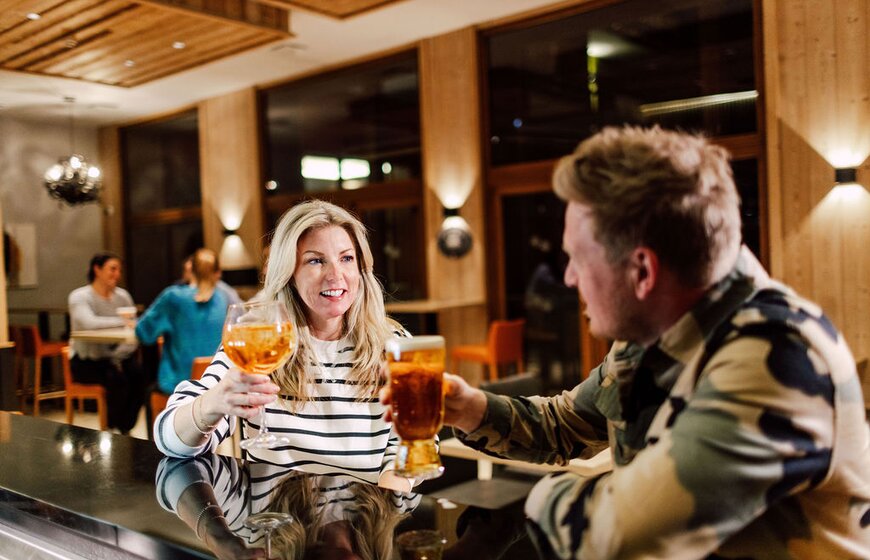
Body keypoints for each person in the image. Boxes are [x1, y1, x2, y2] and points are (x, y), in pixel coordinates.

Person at [382, 126, 870, 558]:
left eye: (577, 258)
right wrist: (470, 409)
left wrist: (530, 499)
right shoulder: (649, 334)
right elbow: (567, 426)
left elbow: (616, 534)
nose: (569, 277)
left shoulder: (777, 355)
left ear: (642, 270)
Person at [154, 200, 411, 490]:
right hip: (276, 524)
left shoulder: (395, 345)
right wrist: (214, 402)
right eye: (315, 260)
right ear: (288, 271)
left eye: (346, 258)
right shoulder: (259, 340)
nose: (335, 274)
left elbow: (411, 444)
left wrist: (384, 509)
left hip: (364, 522)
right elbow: (170, 440)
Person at [68, 252, 145, 434]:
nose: (117, 274)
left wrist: (117, 355)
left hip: (117, 357)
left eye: (119, 270)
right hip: (87, 360)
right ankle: (111, 428)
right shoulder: (80, 297)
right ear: (97, 269)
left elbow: (133, 332)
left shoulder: (123, 297)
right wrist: (122, 321)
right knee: (117, 381)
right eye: (112, 269)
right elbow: (89, 324)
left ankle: (125, 428)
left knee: (140, 377)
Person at [135, 249, 228, 395]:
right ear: (218, 272)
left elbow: (144, 333)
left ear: (191, 269)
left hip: (180, 384)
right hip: (218, 381)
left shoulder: (173, 296)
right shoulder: (222, 298)